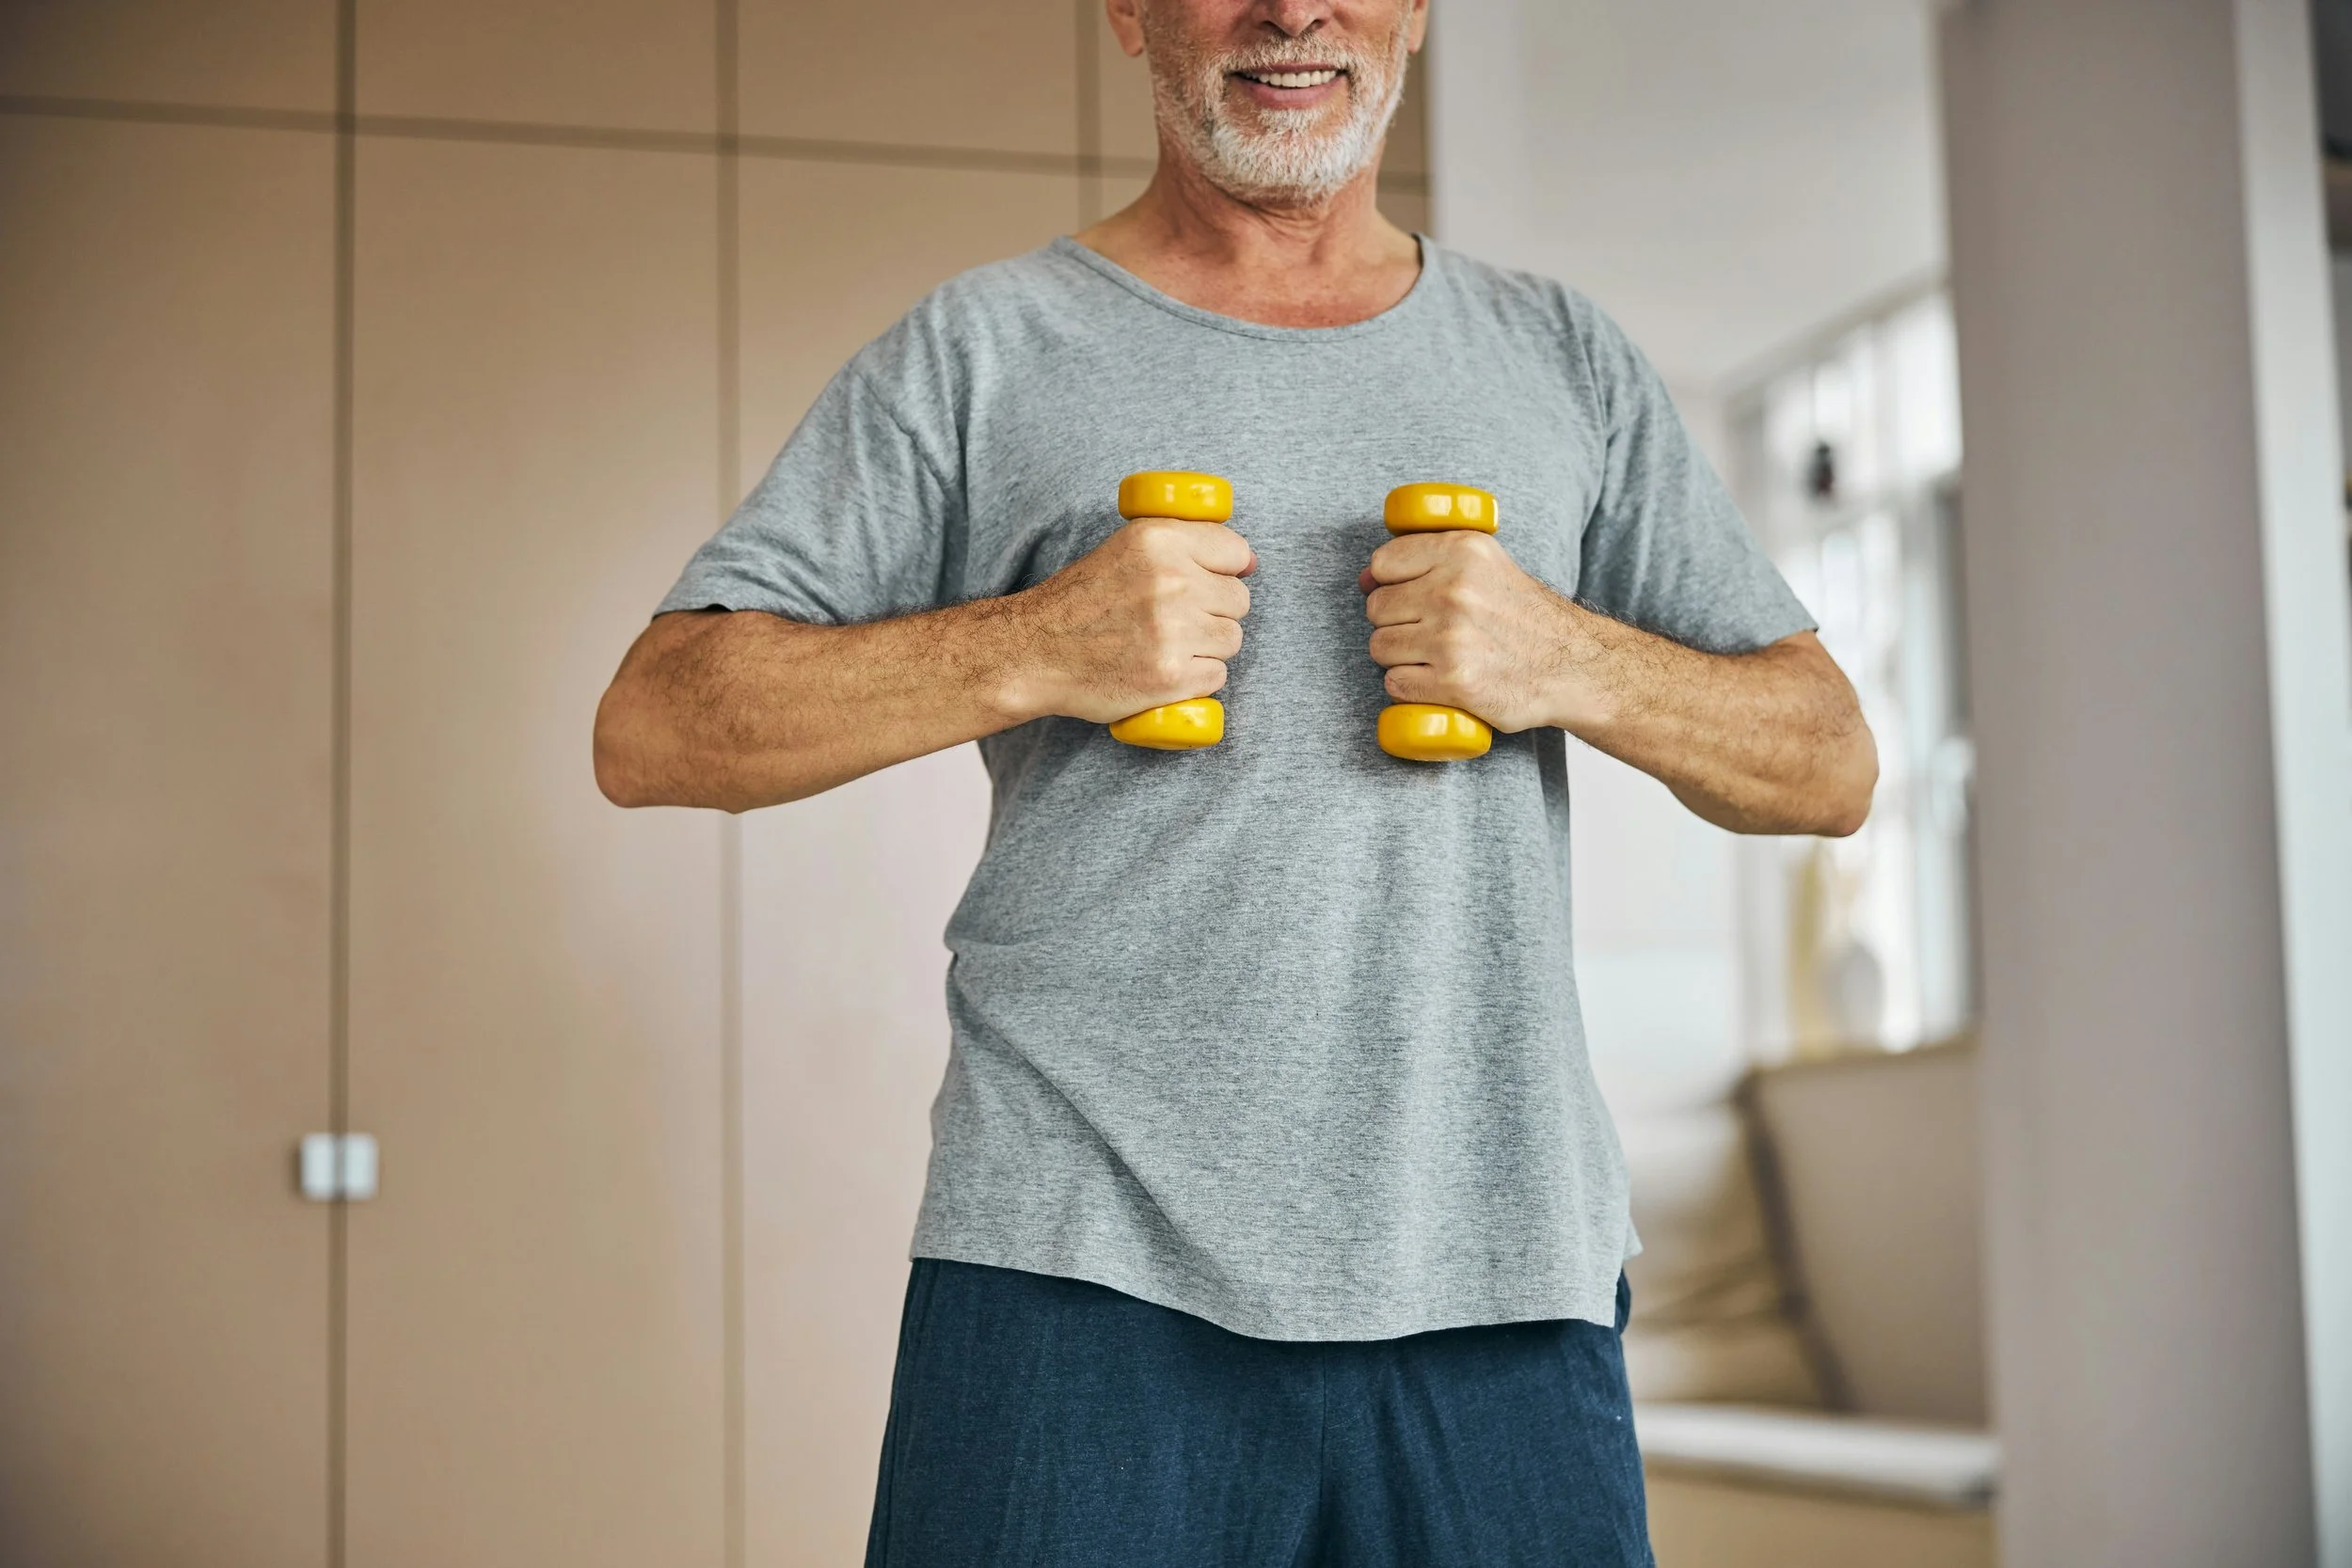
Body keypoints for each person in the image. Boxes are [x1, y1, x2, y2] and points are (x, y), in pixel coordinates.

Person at [594, 0, 1876, 1560]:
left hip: (1500, 1280)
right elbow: (656, 722)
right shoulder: (984, 348)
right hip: (1078, 1273)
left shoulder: (1561, 358)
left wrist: (1568, 661)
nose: (1290, 9)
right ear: (1128, 12)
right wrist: (1038, 642)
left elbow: (1826, 760)